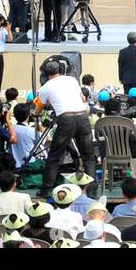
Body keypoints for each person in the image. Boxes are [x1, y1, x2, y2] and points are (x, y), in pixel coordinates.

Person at [36, 58, 99, 199]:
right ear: (60, 70)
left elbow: (37, 110)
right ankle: (92, 191)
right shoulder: (72, 80)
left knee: (54, 156)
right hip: (83, 117)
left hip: (66, 119)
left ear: (45, 74)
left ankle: (46, 190)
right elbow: (83, 99)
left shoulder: (45, 87)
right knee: (88, 156)